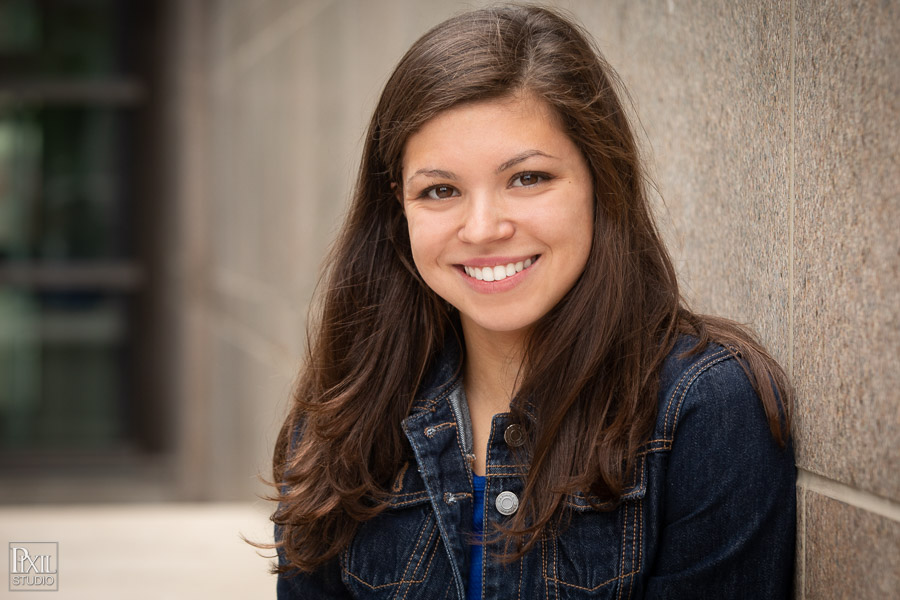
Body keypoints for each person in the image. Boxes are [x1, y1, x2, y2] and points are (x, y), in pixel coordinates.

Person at [269, 5, 795, 599]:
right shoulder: (344, 417)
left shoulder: (703, 409)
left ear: (601, 179)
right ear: (399, 208)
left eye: (528, 178)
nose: (484, 227)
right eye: (441, 190)